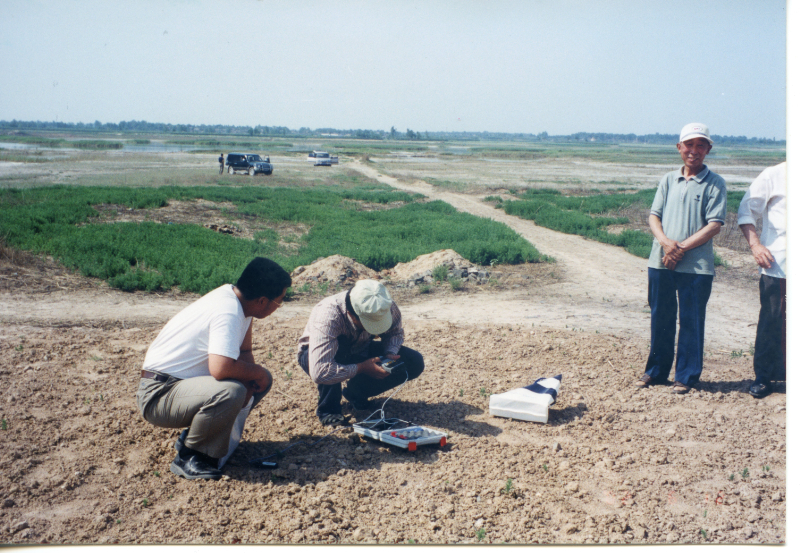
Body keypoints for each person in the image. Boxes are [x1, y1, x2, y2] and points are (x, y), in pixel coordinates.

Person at [136, 257, 291, 480]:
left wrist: (253, 378)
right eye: (279, 302)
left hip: (179, 386)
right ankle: (191, 456)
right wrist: (255, 374)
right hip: (158, 394)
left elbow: (245, 352)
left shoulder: (239, 303)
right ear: (262, 301)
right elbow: (220, 368)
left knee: (255, 381)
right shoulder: (227, 310)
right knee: (232, 390)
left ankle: (200, 439)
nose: (278, 307)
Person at [635, 123, 727, 394]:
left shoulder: (716, 183)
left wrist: (680, 249)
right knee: (660, 316)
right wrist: (665, 244)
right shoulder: (667, 179)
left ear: (708, 149)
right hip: (660, 261)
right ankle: (656, 372)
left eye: (701, 145)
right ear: (679, 148)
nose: (694, 151)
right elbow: (654, 216)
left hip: (696, 267)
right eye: (689, 144)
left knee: (691, 320)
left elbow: (714, 225)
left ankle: (685, 377)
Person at [297, 279, 425, 426]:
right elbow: (320, 371)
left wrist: (389, 355)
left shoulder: (382, 304)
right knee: (337, 351)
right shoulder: (328, 316)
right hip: (319, 354)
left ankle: (356, 393)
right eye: (369, 324)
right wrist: (362, 368)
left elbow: (394, 333)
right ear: (351, 314)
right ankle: (329, 410)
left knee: (414, 362)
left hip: (361, 347)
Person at [737, 162, 786, 399]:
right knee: (772, 319)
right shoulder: (774, 174)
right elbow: (747, 211)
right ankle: (764, 378)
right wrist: (755, 245)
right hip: (778, 263)